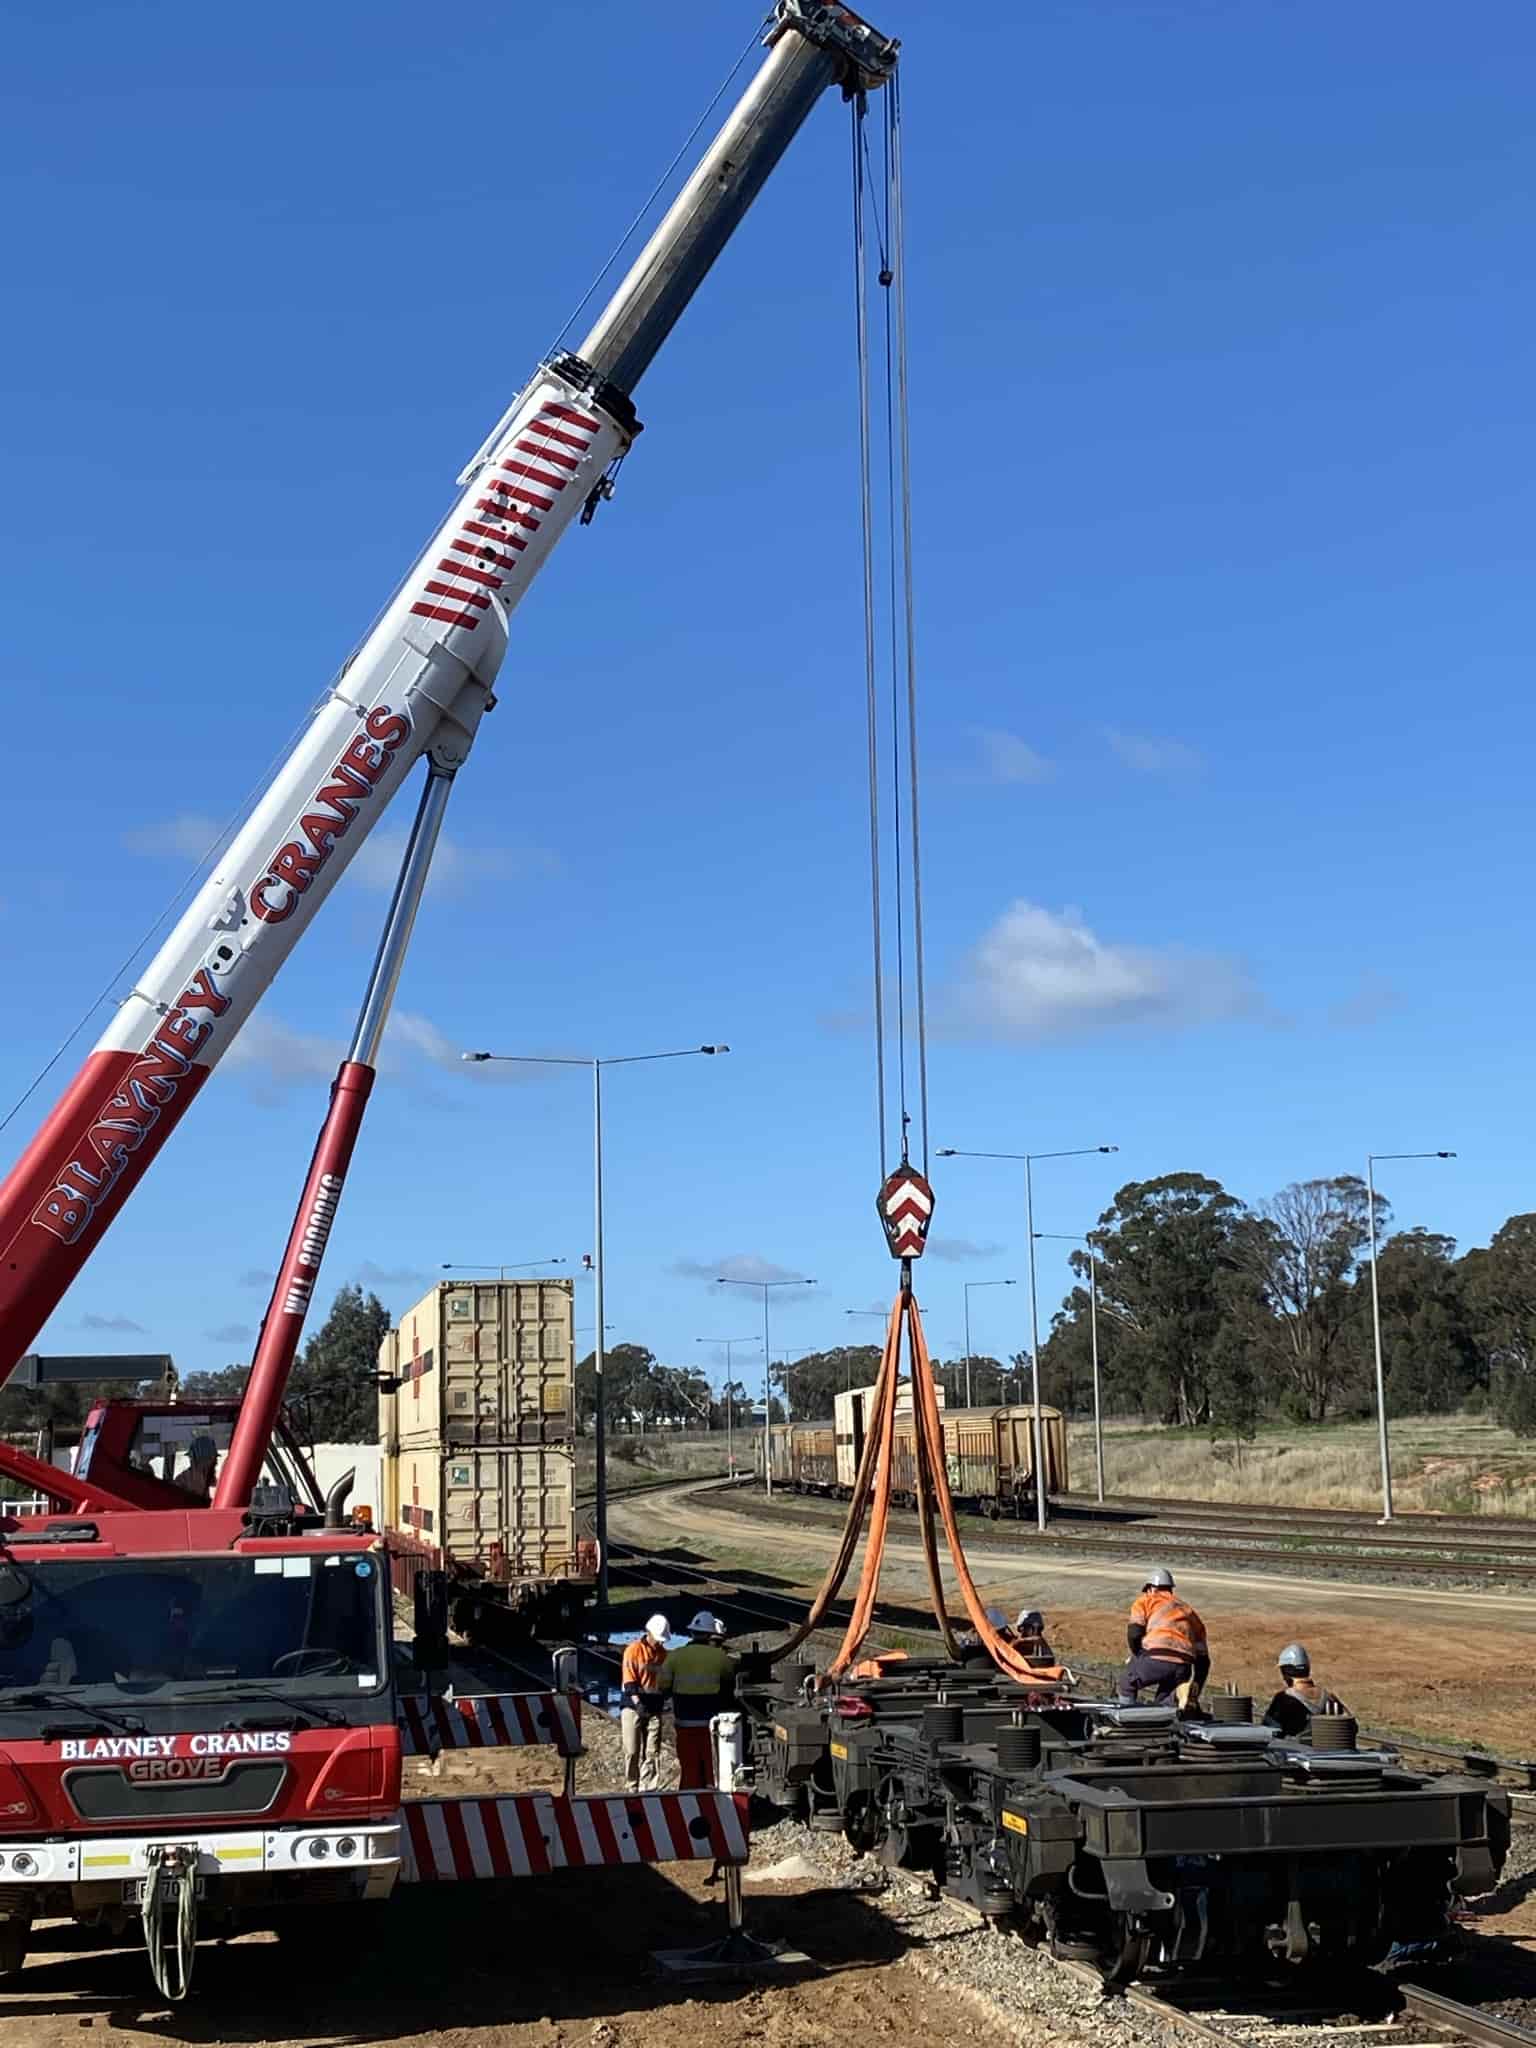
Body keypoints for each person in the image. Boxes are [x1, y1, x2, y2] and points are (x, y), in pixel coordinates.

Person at [658, 1610, 737, 1790]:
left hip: (684, 1723)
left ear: (691, 1632)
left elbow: (662, 1686)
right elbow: (730, 1686)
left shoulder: (675, 1656)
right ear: (710, 1634)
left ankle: (687, 1802)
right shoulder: (721, 1658)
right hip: (711, 1725)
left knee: (689, 1770)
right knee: (712, 1770)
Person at [1119, 1567, 1209, 1706]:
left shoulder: (1145, 1601)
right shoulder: (1188, 1611)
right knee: (1165, 1701)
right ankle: (1179, 1695)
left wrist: (1138, 1655)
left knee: (1127, 1682)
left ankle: (1126, 1720)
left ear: (1151, 1589)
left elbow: (1134, 1633)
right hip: (1183, 1666)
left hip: (1157, 1657)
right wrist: (1197, 1684)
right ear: (1170, 1589)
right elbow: (1203, 1660)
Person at [620, 1613, 670, 1792]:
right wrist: (638, 1703)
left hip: (654, 1706)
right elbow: (629, 1680)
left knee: (652, 1751)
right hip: (633, 1706)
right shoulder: (633, 1650)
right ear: (649, 1634)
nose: (660, 1643)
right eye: (658, 1639)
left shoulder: (663, 1654)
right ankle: (632, 1786)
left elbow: (664, 1682)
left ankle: (649, 1787)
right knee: (632, 1750)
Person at [1263, 1643, 1347, 1739]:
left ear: (1285, 1672)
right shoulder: (1329, 1698)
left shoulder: (1283, 1699)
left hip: (1294, 1752)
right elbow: (1351, 1726)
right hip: (1328, 1752)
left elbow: (1268, 1731)